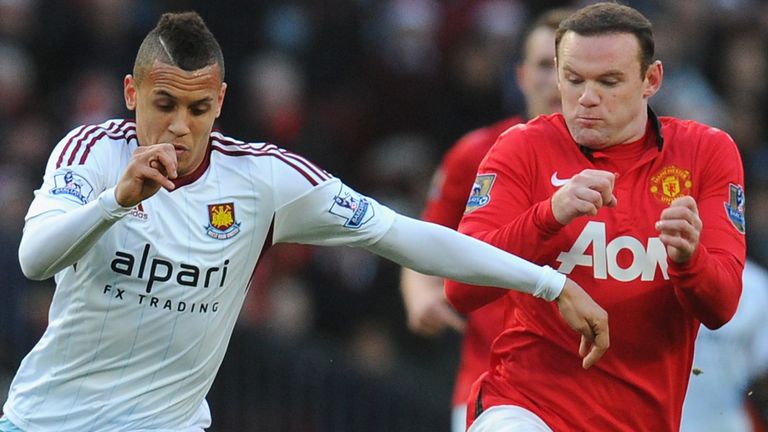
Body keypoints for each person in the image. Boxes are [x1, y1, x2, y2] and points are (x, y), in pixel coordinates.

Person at [0, 12, 609, 432]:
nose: (181, 127)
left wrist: (549, 283)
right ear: (132, 93)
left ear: (222, 101)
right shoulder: (93, 153)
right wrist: (115, 201)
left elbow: (402, 235)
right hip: (48, 419)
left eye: (199, 107)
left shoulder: (264, 181)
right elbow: (34, 259)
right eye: (164, 106)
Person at [444, 3, 746, 431]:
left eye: (608, 82)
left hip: (642, 417)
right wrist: (548, 216)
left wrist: (689, 260)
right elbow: (459, 288)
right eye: (573, 79)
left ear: (651, 80)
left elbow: (722, 306)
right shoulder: (522, 148)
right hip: (524, 405)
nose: (587, 98)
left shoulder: (706, 153)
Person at [399, 9, 568, 432]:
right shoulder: (478, 153)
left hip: (589, 388)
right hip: (493, 389)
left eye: (568, 69)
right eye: (545, 66)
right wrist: (419, 293)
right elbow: (423, 238)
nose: (557, 81)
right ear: (522, 75)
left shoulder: (621, 164)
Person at [680, 258, 768, 432]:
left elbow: (761, 369)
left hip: (725, 420)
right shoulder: (756, 283)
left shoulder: (756, 285)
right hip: (671, 419)